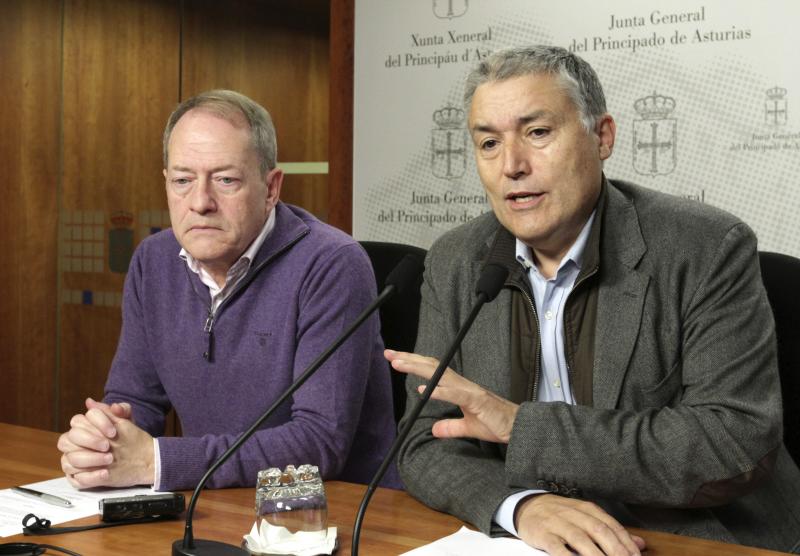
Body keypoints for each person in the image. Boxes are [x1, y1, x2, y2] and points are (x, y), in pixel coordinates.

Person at [388, 46, 800, 555]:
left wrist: (521, 428)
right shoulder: (456, 261)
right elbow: (425, 443)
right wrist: (521, 507)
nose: (511, 166)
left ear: (602, 136)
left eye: (537, 133)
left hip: (691, 535)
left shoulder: (706, 248)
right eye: (489, 143)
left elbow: (734, 440)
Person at [57, 89, 398, 491]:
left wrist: (157, 461)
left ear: (271, 188)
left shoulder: (332, 264)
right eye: (183, 180)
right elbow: (136, 401)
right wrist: (104, 441)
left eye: (225, 180)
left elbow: (320, 441)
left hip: (338, 513)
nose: (200, 202)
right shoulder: (153, 261)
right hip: (213, 501)